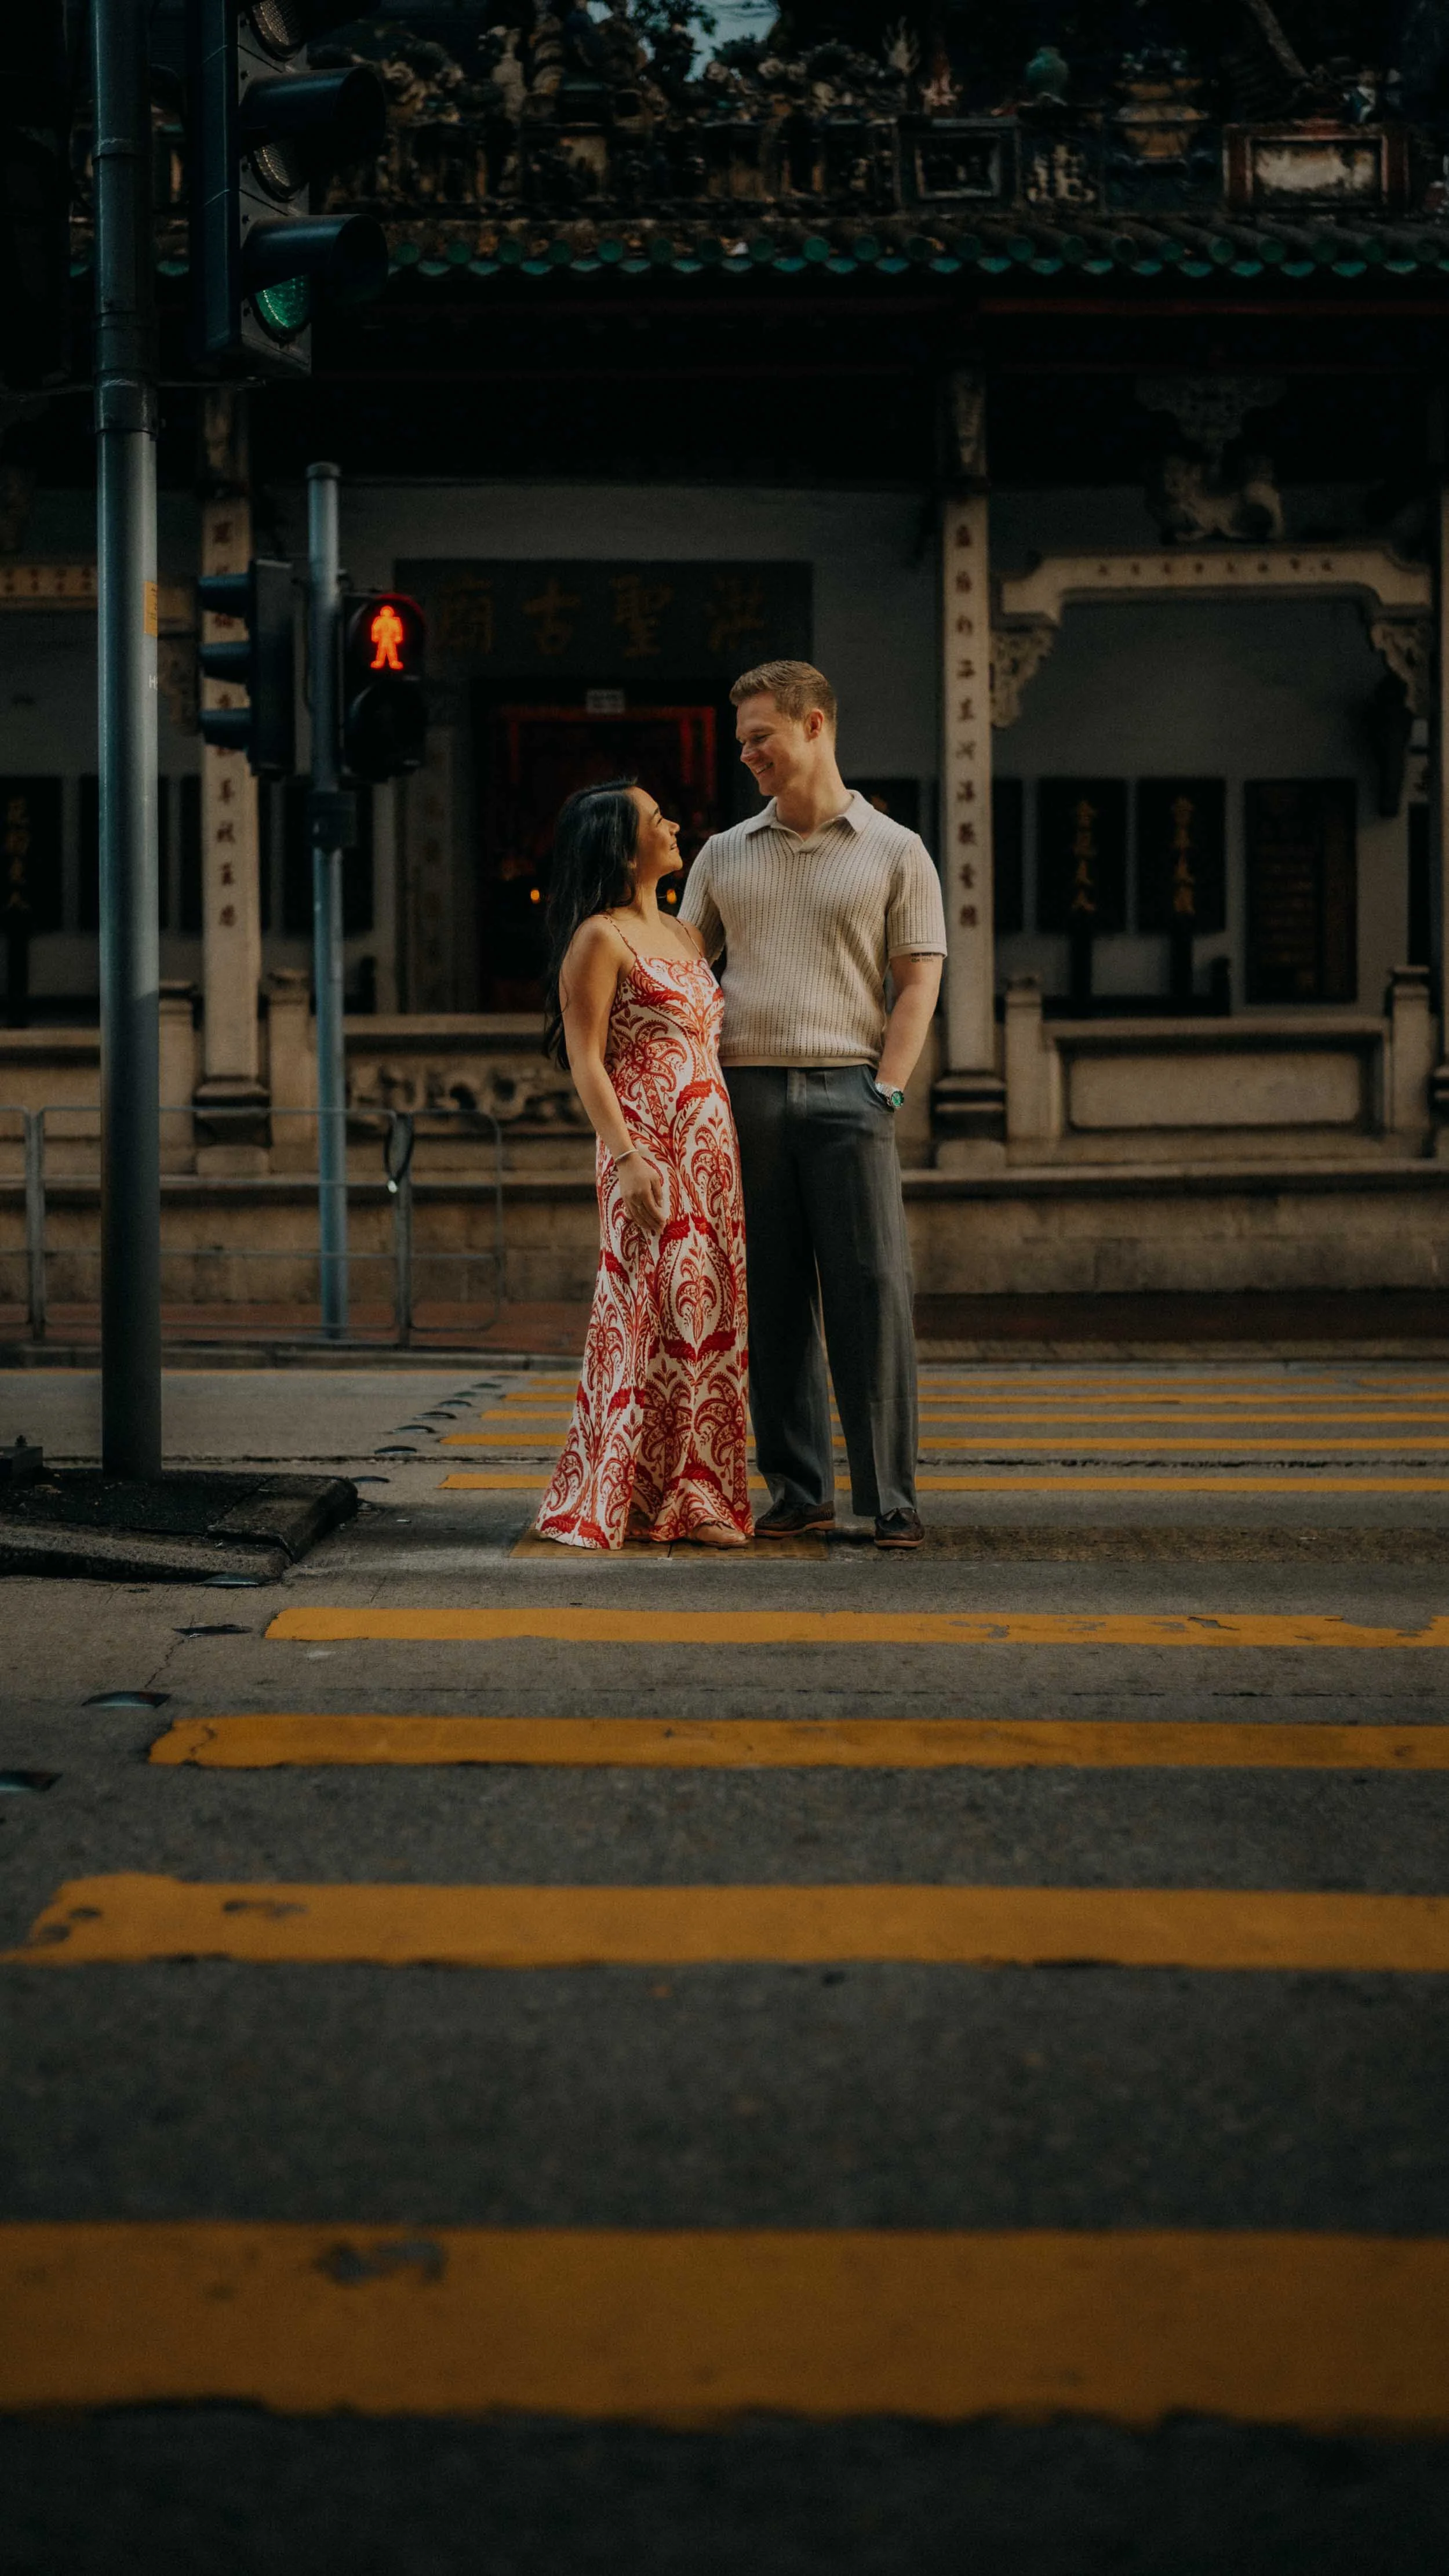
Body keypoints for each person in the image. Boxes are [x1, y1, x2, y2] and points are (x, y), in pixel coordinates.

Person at [679, 661, 945, 1549]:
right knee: (772, 1300)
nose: (748, 752)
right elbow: (682, 977)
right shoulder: (722, 854)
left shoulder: (895, 848)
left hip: (850, 1092)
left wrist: (887, 1090)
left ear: (816, 725)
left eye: (762, 735)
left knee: (873, 1295)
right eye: (743, 739)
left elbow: (917, 983)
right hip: (742, 1096)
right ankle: (798, 1489)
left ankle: (890, 1496)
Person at [535, 779, 752, 1550]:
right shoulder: (599, 937)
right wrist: (626, 1157)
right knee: (648, 1307)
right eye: (657, 819)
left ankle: (698, 1492)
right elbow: (587, 1060)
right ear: (625, 849)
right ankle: (625, 1491)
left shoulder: (689, 936)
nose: (673, 825)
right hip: (644, 1144)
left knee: (708, 1315)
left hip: (710, 1150)